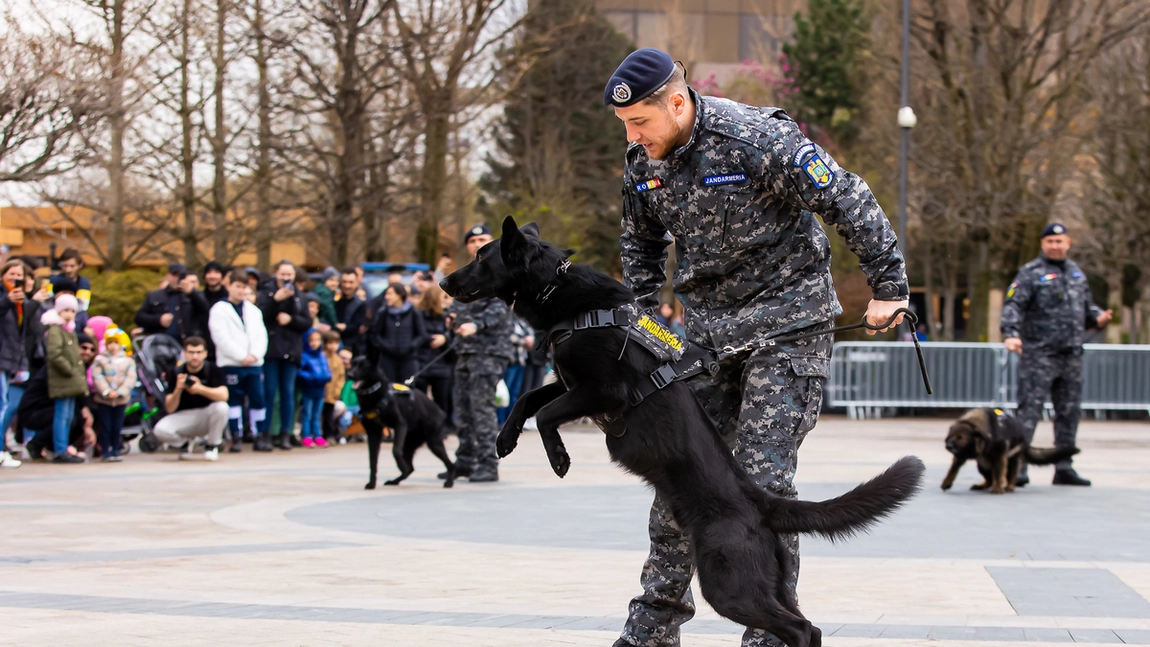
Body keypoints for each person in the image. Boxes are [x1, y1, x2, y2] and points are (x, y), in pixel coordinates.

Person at [605, 49, 909, 647]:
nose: (635, 137)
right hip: (708, 337)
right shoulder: (643, 165)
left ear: (676, 101)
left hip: (787, 325)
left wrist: (889, 285)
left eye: (641, 121)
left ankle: (772, 630)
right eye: (626, 127)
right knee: (679, 479)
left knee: (762, 484)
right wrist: (643, 327)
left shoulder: (753, 139)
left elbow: (845, 196)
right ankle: (653, 629)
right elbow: (639, 247)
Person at [1001, 222, 1111, 487]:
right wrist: (1011, 332)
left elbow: (1085, 310)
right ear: (1043, 243)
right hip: (1040, 354)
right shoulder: (1029, 273)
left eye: (1059, 241)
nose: (1055, 245)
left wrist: (1098, 317)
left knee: (1069, 412)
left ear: (1068, 243)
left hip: (1071, 355)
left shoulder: (1076, 274)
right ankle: (1019, 466)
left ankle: (1064, 466)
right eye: (1050, 241)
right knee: (1029, 412)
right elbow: (1013, 304)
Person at [449, 224, 514, 482]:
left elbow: (500, 309)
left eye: (483, 239)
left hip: (489, 352)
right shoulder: (468, 274)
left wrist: (475, 325)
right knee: (462, 409)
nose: (477, 243)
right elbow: (457, 306)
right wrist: (451, 320)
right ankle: (464, 460)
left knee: (482, 408)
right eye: (473, 240)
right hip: (465, 351)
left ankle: (488, 463)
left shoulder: (499, 272)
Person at [209, 270, 269, 452]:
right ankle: (236, 435)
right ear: (229, 286)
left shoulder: (253, 310)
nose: (241, 291)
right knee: (234, 400)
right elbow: (221, 337)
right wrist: (240, 356)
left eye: (244, 287)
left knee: (257, 399)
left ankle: (258, 433)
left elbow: (261, 336)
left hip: (254, 363)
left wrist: (255, 355)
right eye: (237, 287)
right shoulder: (219, 309)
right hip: (231, 363)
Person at [257, 261, 311, 450]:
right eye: (282, 274)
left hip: (291, 351)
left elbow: (307, 322)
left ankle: (285, 433)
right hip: (272, 350)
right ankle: (266, 433)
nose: (286, 278)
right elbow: (260, 315)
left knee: (288, 394)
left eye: (289, 274)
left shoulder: (299, 296)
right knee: (270, 393)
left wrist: (291, 320)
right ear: (276, 274)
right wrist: (275, 301)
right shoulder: (266, 292)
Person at [19, 334, 98, 461]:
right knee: (70, 417)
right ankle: (45, 446)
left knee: (82, 416)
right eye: (84, 347)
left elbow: (80, 392)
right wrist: (85, 417)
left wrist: (86, 412)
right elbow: (73, 391)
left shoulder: (80, 368)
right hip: (34, 411)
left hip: (49, 408)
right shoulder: (60, 367)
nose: (88, 352)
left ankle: (50, 447)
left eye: (92, 350)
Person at [154, 336, 229, 461]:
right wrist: (178, 389)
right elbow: (169, 408)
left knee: (222, 408)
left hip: (207, 414)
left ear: (205, 353)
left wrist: (200, 388)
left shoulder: (212, 369)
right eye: (191, 353)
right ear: (184, 354)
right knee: (160, 430)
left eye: (199, 352)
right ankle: (185, 444)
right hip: (184, 416)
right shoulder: (176, 372)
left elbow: (224, 395)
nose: (195, 357)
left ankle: (212, 445)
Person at [43, 294, 90, 464]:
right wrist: (69, 370)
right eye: (65, 310)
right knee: (62, 415)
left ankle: (65, 446)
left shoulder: (69, 330)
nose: (69, 314)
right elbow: (55, 354)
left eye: (72, 310)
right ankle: (60, 449)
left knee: (69, 415)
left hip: (71, 381)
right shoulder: (56, 330)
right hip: (63, 379)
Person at [0, 260, 32, 468]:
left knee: (4, 403)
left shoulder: (21, 301)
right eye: (11, 273)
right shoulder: (5, 296)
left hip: (10, 359)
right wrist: (7, 301)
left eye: (18, 274)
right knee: (2, 403)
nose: (14, 277)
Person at [91, 327, 135, 462]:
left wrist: (121, 391)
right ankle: (106, 450)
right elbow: (97, 375)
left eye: (115, 343)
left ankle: (116, 449)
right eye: (110, 343)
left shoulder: (128, 361)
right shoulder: (100, 359)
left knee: (117, 426)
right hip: (104, 400)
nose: (112, 346)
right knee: (105, 425)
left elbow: (131, 378)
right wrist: (106, 391)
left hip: (121, 400)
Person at [135, 263, 209, 342]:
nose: (177, 279)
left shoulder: (194, 295)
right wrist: (158, 319)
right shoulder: (155, 295)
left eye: (181, 276)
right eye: (175, 275)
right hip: (161, 344)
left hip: (187, 345)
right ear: (167, 276)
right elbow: (139, 317)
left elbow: (205, 311)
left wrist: (192, 293)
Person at [369, 283, 427, 383]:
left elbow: (422, 335)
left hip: (408, 359)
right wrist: (386, 346)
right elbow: (375, 334)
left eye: (390, 294)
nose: (386, 297)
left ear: (399, 294)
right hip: (388, 360)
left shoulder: (414, 312)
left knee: (407, 390)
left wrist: (411, 346)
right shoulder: (383, 313)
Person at [413, 283, 454, 418]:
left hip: (441, 364)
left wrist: (445, 337)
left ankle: (441, 427)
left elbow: (454, 338)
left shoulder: (448, 317)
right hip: (422, 363)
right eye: (445, 297)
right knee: (419, 401)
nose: (448, 301)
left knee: (442, 400)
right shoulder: (417, 315)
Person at [297, 329, 332, 447]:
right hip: (309, 388)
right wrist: (310, 377)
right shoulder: (304, 356)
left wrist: (327, 376)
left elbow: (326, 369)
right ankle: (306, 436)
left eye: (317, 340)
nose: (314, 343)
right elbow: (300, 371)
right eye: (312, 340)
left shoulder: (322, 356)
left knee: (317, 414)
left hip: (320, 388)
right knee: (307, 413)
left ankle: (317, 435)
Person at [334, 268, 367, 355]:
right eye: (344, 282)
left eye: (351, 282)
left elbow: (359, 326)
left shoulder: (361, 304)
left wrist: (345, 327)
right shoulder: (335, 302)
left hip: (354, 348)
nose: (347, 285)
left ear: (357, 282)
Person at [321, 331, 345, 442]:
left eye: (335, 343)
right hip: (321, 391)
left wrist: (337, 389)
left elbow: (341, 376)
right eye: (330, 343)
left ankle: (329, 434)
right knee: (317, 414)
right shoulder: (321, 356)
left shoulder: (338, 359)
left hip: (332, 393)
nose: (333, 346)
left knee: (329, 415)